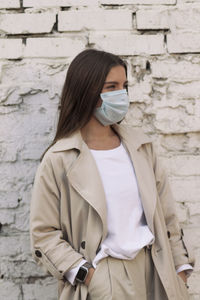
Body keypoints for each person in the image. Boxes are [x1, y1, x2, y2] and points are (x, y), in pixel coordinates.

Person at [30, 49, 195, 300]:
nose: (122, 94)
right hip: (104, 276)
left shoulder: (141, 148)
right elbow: (43, 234)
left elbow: (167, 216)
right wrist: (86, 275)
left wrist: (180, 270)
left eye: (125, 86)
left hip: (155, 269)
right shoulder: (60, 159)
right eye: (112, 86)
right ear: (87, 91)